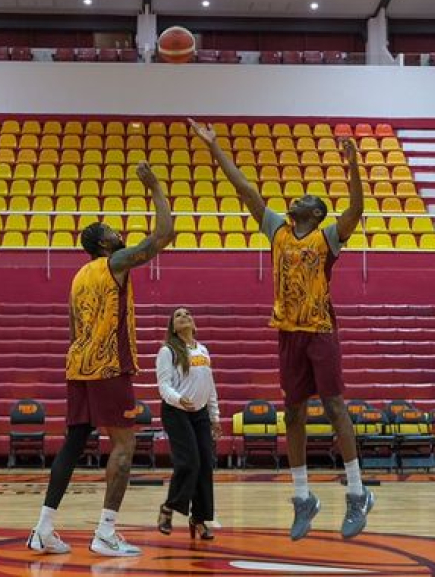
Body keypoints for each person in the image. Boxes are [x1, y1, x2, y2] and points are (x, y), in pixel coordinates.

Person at [189, 118, 374, 541]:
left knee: (334, 407)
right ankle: (303, 497)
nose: (298, 196)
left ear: (316, 212)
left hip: (320, 329)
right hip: (288, 331)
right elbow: (245, 190)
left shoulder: (328, 235)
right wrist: (215, 148)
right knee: (291, 412)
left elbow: (357, 210)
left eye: (307, 196)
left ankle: (357, 492)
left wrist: (353, 167)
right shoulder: (278, 229)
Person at [27, 161, 174, 557]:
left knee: (72, 445)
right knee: (124, 447)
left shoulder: (78, 278)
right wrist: (154, 185)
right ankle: (106, 532)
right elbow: (163, 235)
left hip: (79, 367)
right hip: (109, 367)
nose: (119, 232)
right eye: (112, 231)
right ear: (104, 244)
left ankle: (43, 529)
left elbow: (74, 329)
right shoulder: (115, 264)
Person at [155, 307, 221, 540]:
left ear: (194, 324)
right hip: (176, 412)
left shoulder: (203, 350)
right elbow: (163, 386)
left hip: (200, 414)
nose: (184, 316)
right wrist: (178, 399)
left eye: (187, 314)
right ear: (173, 327)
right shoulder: (167, 351)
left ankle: (199, 519)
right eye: (178, 315)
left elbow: (209, 385)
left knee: (205, 464)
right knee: (189, 461)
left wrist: (215, 417)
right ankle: (169, 508)